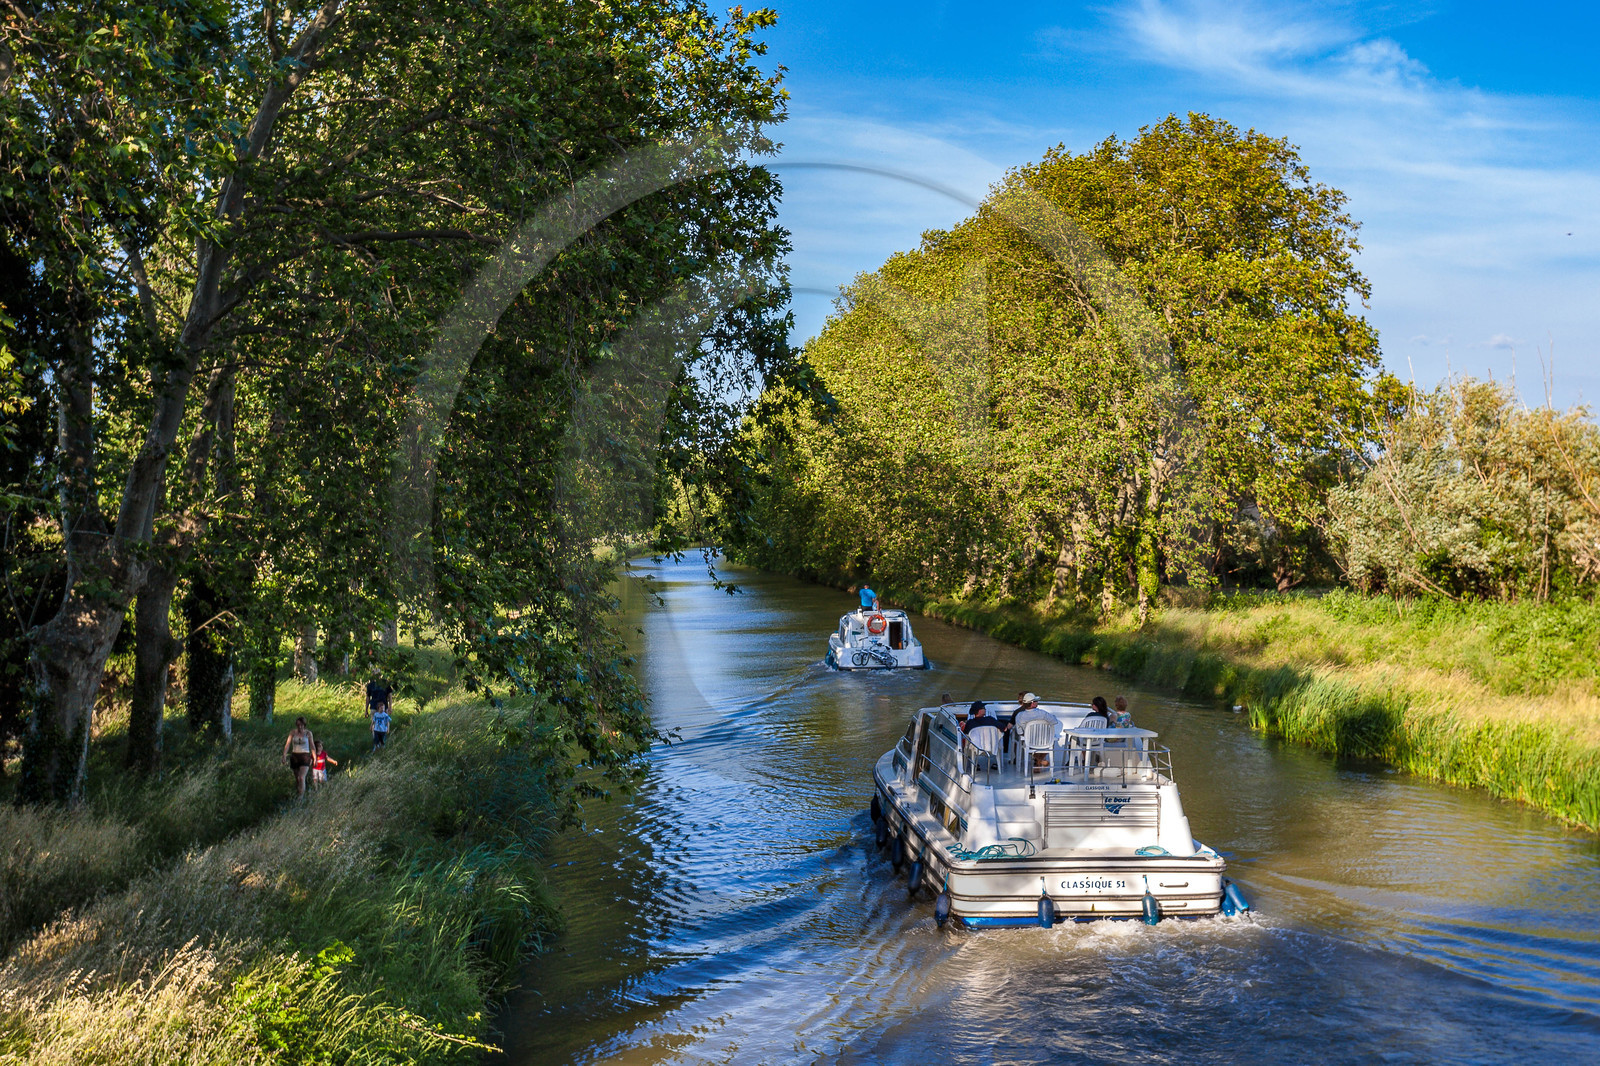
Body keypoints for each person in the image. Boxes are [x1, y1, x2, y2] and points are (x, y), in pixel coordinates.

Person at [282, 717, 315, 797]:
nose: (300, 726)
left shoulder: (308, 733)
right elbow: (288, 744)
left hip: (305, 756)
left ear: (304, 725)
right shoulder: (293, 733)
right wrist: (284, 755)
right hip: (295, 756)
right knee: (297, 778)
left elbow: (312, 746)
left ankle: (301, 799)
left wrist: (315, 758)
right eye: (298, 725)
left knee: (301, 777)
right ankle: (299, 793)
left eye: (301, 725)